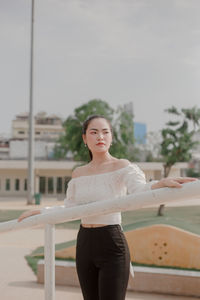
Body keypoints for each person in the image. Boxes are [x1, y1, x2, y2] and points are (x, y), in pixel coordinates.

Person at [18, 114, 197, 300]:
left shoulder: (122, 166)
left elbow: (141, 190)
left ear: (111, 138)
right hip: (84, 243)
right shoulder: (78, 173)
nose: (100, 137)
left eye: (105, 132)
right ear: (85, 139)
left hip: (111, 243)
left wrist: (161, 183)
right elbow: (69, 209)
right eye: (94, 132)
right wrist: (42, 212)